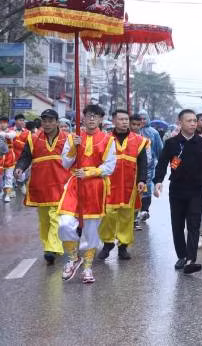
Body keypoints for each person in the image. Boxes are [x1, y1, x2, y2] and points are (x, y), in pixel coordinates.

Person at [57, 105, 117, 284]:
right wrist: (73, 148)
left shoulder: (108, 140)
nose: (92, 119)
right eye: (88, 116)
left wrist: (90, 172)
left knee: (91, 230)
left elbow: (109, 166)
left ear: (100, 120)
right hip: (75, 185)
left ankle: (88, 267)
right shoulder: (73, 137)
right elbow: (66, 163)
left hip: (95, 187)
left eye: (96, 116)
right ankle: (74, 258)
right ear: (82, 118)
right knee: (64, 224)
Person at [154, 109, 202, 274]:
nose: (193, 124)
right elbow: (162, 164)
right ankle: (181, 255)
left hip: (196, 190)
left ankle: (191, 259)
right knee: (178, 224)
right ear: (180, 123)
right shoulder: (172, 143)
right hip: (177, 190)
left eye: (195, 121)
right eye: (189, 121)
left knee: (194, 224)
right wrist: (158, 181)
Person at [95, 110, 148, 261]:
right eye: (121, 119)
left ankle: (123, 246)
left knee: (127, 215)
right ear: (113, 120)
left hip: (129, 184)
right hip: (109, 183)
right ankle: (107, 243)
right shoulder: (105, 139)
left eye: (126, 119)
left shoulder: (138, 140)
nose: (124, 122)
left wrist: (142, 180)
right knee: (107, 214)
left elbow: (142, 162)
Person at [14, 109, 61, 264]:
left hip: (61, 185)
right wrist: (19, 167)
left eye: (50, 121)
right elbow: (25, 157)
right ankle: (49, 245)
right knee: (44, 220)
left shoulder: (68, 139)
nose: (47, 124)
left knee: (56, 218)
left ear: (57, 122)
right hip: (40, 185)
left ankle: (51, 248)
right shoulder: (33, 138)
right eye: (44, 121)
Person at [136, 111, 163, 225]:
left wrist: (162, 164)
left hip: (148, 166)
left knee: (146, 187)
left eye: (144, 119)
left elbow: (159, 150)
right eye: (140, 119)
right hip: (133, 164)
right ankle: (135, 211)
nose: (142, 121)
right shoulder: (133, 132)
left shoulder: (154, 133)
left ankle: (145, 210)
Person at [0, 116, 18, 201]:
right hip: (0, 155)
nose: (2, 124)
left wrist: (2, 134)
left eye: (4, 123)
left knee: (8, 176)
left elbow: (10, 136)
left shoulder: (12, 132)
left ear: (7, 123)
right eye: (1, 123)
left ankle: (7, 194)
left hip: (9, 156)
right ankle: (1, 192)